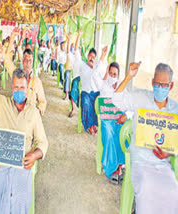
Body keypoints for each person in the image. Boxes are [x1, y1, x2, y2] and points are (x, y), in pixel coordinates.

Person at [0, 45, 48, 213]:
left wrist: (34, 155)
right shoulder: (3, 104)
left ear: (27, 89)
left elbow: (43, 142)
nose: (18, 91)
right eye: (15, 87)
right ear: (12, 87)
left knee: (20, 197)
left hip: (21, 164)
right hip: (0, 161)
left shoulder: (33, 112)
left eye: (22, 88)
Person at [113, 62, 178, 213]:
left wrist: (170, 152)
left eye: (164, 85)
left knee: (173, 192)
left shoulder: (175, 109)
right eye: (157, 84)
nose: (160, 88)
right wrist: (128, 76)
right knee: (146, 187)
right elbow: (116, 100)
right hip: (140, 162)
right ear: (152, 82)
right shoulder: (141, 98)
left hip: (163, 165)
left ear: (171, 85)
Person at [91, 47, 133, 183]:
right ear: (107, 73)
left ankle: (121, 165)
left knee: (124, 134)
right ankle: (112, 169)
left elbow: (132, 107)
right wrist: (102, 58)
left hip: (119, 122)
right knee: (109, 135)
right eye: (111, 73)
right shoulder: (103, 86)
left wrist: (126, 115)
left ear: (118, 76)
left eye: (115, 74)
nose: (113, 76)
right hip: (107, 122)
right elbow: (94, 74)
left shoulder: (123, 90)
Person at [5, 27, 47, 116]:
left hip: (30, 116)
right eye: (25, 60)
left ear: (33, 63)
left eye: (30, 60)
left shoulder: (36, 81)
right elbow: (7, 61)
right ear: (22, 61)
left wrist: (37, 112)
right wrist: (12, 36)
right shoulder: (16, 74)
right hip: (16, 114)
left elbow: (43, 102)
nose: (27, 63)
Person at [73, 29, 100, 135]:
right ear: (87, 56)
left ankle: (95, 125)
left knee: (99, 103)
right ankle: (89, 126)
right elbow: (76, 50)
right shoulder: (82, 65)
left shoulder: (97, 69)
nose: (91, 58)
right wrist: (79, 35)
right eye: (90, 56)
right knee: (85, 102)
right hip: (86, 93)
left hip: (95, 93)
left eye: (94, 57)